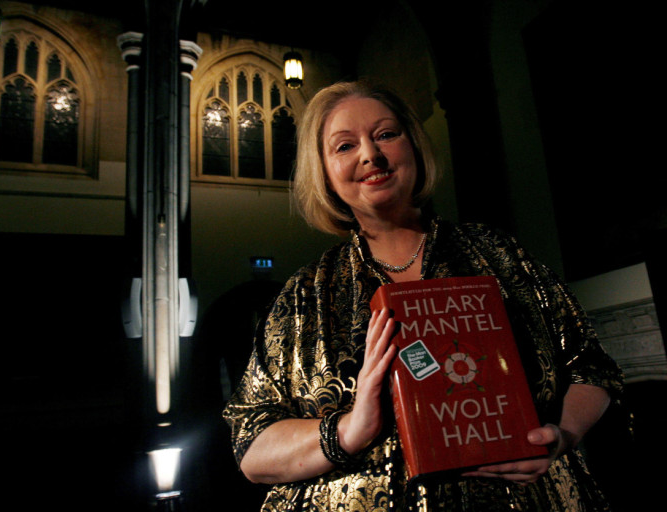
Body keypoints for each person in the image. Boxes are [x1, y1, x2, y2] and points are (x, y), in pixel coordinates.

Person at [223, 80, 623, 511]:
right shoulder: (305, 296)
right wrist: (349, 430)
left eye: (385, 135)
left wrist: (562, 435)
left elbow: (591, 367)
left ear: (413, 145)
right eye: (344, 146)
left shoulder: (500, 255)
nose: (370, 155)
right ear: (322, 171)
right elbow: (251, 444)